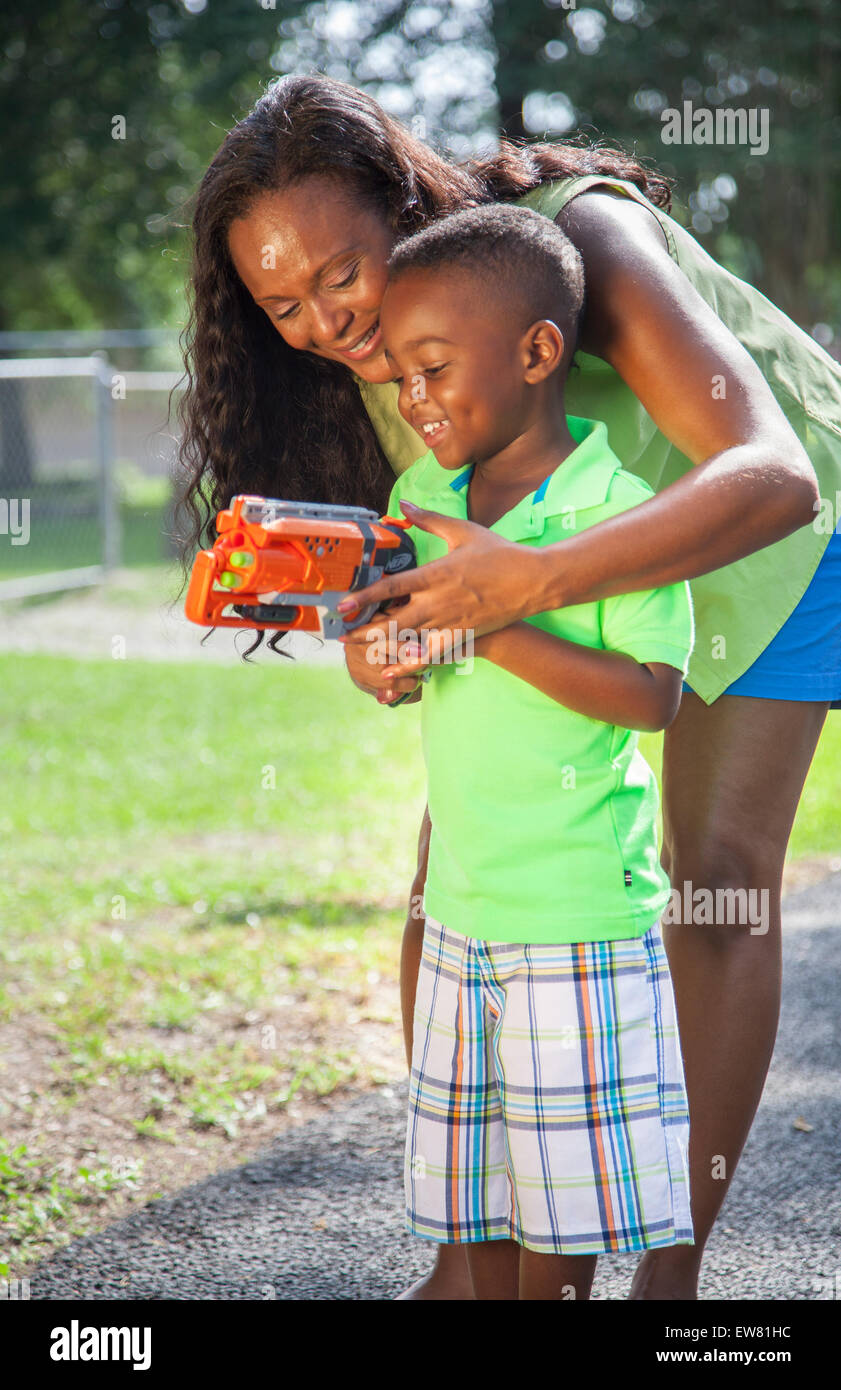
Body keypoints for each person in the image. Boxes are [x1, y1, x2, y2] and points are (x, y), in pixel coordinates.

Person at [177, 74, 839, 1299]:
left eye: (340, 276)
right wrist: (391, 631)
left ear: (404, 202)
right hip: (559, 577)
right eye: (281, 302)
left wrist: (518, 587)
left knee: (718, 882)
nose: (326, 322)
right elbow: (440, 562)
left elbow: (770, 475)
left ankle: (667, 1280)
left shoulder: (581, 235)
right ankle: (473, 1269)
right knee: (461, 872)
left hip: (769, 541)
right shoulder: (377, 355)